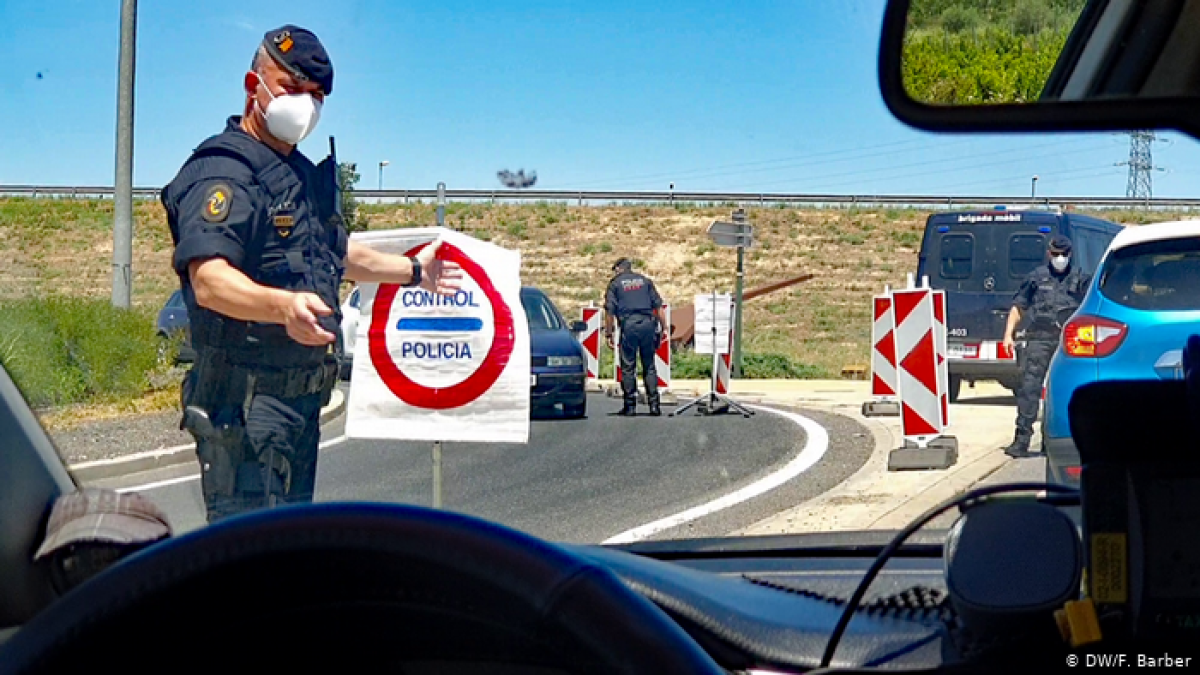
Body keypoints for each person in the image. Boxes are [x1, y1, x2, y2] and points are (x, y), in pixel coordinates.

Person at [161, 25, 462, 522]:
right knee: (252, 565)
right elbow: (210, 281)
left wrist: (413, 270)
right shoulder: (225, 170)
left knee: (288, 556)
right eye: (292, 88)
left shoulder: (295, 173)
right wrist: (283, 308)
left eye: (317, 94)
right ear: (252, 84)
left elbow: (335, 253)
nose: (305, 104)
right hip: (246, 408)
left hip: (297, 406)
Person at [1001, 234, 1091, 458]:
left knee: (1070, 388)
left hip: (1069, 339)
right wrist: (1008, 335)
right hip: (1040, 337)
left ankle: (1059, 439)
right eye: (1056, 254)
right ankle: (1021, 440)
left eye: (1064, 254)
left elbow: (1092, 306)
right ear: (1049, 254)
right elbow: (1019, 306)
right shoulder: (1036, 278)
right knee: (1030, 389)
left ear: (1070, 255)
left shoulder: (1080, 278)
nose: (1060, 258)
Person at [604, 258, 668, 416]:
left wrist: (609, 333)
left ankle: (630, 406)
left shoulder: (615, 284)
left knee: (628, 366)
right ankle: (654, 405)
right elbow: (658, 306)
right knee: (649, 365)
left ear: (619, 269)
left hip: (629, 326)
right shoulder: (645, 281)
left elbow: (609, 311)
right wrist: (664, 327)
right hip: (648, 324)